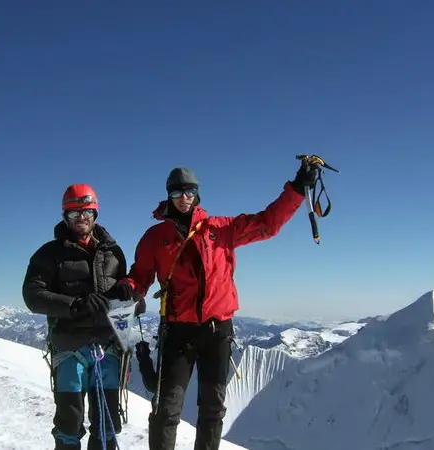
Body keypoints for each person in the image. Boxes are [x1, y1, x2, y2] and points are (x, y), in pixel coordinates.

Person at [117, 165, 317, 450]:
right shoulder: (155, 238)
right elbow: (141, 276)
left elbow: (267, 223)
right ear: (168, 196)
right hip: (178, 333)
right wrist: (130, 287)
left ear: (197, 194)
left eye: (189, 191)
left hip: (217, 333)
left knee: (212, 410)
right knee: (166, 409)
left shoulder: (221, 229)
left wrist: (297, 189)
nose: (184, 197)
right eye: (177, 192)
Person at [22, 183, 141, 450]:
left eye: (86, 212)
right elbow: (33, 296)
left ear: (95, 213)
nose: (81, 219)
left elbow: (133, 296)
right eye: (75, 214)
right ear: (65, 217)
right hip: (70, 349)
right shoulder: (49, 254)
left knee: (107, 424)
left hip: (108, 347)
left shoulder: (113, 252)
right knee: (69, 424)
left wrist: (130, 293)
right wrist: (76, 305)